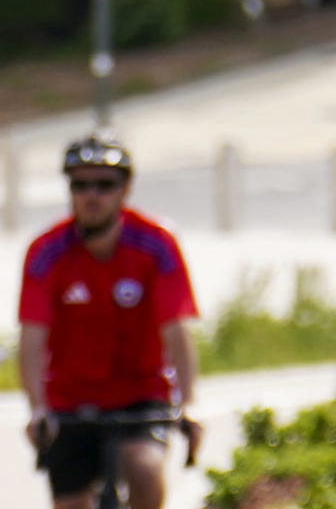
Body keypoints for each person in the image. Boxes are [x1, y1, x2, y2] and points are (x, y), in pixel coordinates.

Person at [19, 134, 203, 509]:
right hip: (70, 400)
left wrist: (190, 402)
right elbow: (32, 340)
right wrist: (36, 407)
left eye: (104, 185)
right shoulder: (46, 252)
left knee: (145, 467)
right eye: (80, 185)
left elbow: (176, 330)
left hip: (140, 395)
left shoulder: (157, 244)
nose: (92, 195)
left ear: (125, 189)